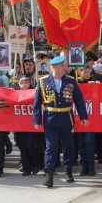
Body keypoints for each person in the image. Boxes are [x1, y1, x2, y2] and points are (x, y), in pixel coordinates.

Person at [33, 56, 89, 188]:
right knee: (51, 148)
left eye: (64, 65)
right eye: (61, 66)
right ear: (53, 67)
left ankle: (68, 170)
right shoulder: (42, 82)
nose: (65, 68)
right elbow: (36, 104)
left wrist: (83, 117)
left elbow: (79, 100)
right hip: (50, 118)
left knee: (69, 146)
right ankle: (49, 174)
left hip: (66, 117)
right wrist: (36, 120)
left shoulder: (71, 81)